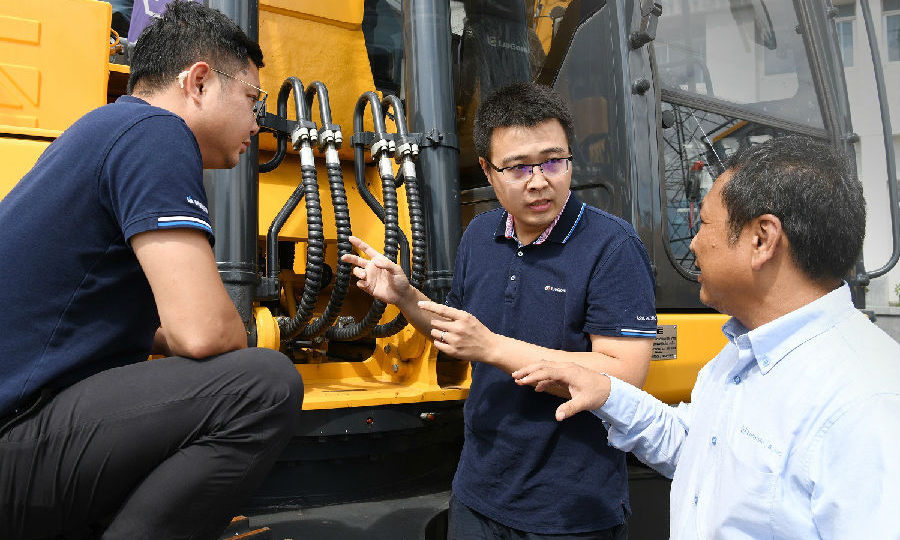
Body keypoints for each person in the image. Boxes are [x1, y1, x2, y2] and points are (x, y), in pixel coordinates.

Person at [0, 2, 302, 539]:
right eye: (252, 100)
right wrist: (237, 333)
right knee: (263, 385)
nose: (257, 124)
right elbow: (205, 332)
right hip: (14, 440)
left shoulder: (99, 129)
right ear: (200, 83)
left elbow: (87, 311)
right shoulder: (156, 132)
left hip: (20, 425)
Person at [513, 135, 900, 539]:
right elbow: (696, 448)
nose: (693, 242)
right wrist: (608, 393)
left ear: (762, 239)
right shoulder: (739, 354)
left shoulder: (867, 404)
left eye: (704, 224)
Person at [343, 82, 657, 539]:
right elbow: (458, 333)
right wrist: (407, 297)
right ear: (489, 172)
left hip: (568, 508)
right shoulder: (480, 234)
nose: (539, 180)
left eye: (554, 161)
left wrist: (492, 347)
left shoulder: (612, 246)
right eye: (518, 167)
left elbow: (626, 373)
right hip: (479, 492)